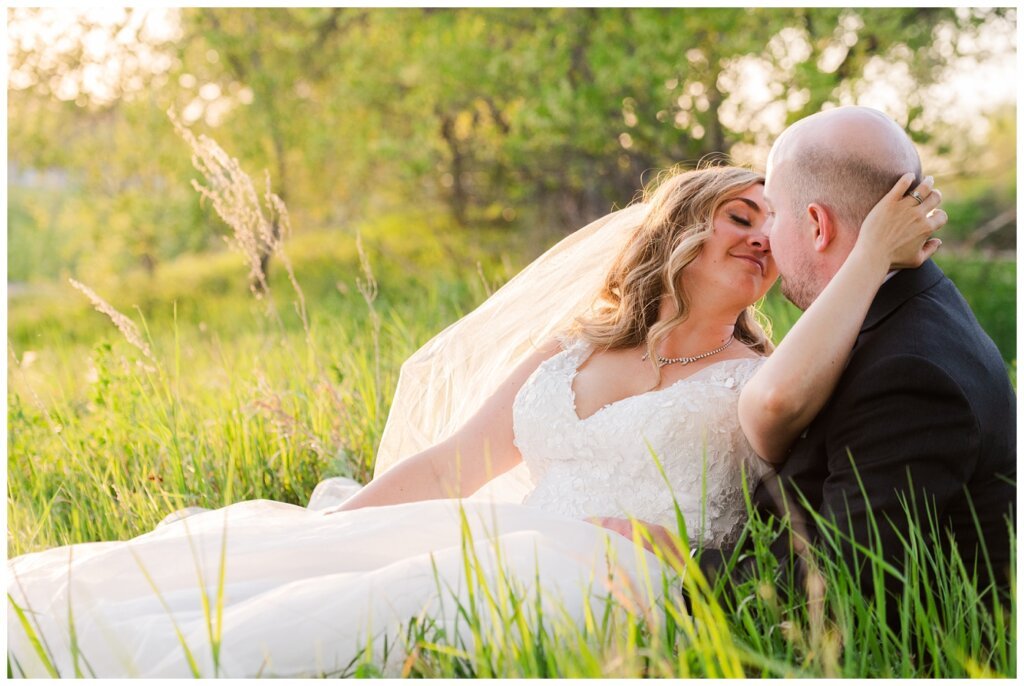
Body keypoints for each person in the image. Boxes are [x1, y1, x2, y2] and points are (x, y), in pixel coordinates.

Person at [6, 163, 940, 678]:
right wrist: (336, 525)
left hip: (616, 574)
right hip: (499, 530)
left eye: (771, 230)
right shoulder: (575, 351)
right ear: (678, 233)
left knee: (346, 617)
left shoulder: (764, 372)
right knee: (273, 565)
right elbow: (457, 461)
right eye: (739, 216)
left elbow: (779, 414)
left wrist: (868, 260)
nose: (758, 239)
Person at [697, 107, 1016, 625]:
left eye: (773, 214)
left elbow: (837, 586)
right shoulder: (898, 317)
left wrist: (672, 570)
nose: (766, 237)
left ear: (817, 225)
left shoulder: (911, 374)